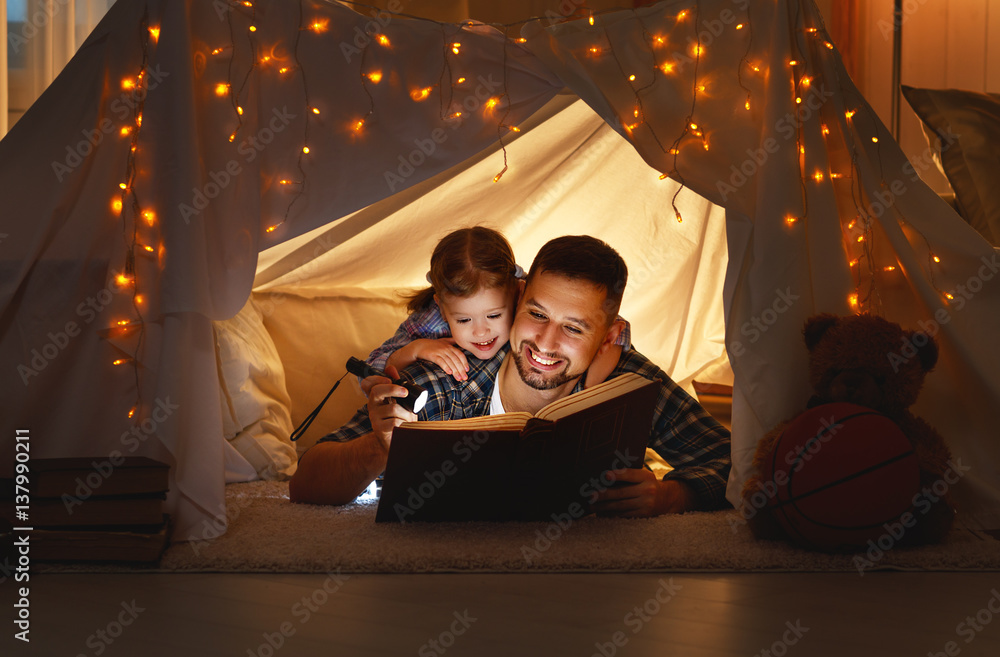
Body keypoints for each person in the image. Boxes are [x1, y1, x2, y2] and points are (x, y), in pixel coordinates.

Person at [290, 236, 731, 516]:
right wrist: (377, 448)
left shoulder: (633, 384)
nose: (544, 341)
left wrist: (671, 497)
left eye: (573, 328)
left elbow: (739, 464)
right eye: (536, 314)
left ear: (610, 336)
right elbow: (306, 480)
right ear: (519, 297)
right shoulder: (448, 376)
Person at [365, 226, 628, 386]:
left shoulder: (532, 295)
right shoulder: (431, 322)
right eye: (464, 321)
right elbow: (368, 371)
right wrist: (414, 350)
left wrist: (593, 380)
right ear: (443, 309)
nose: (481, 332)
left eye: (493, 315)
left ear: (517, 295)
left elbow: (607, 325)